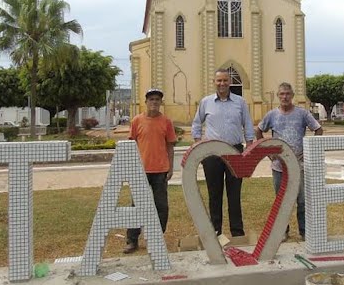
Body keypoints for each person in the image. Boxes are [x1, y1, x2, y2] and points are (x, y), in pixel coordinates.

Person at [191, 68, 255, 237]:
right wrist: (199, 144)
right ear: (214, 82)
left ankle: (237, 232)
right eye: (219, 80)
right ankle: (216, 233)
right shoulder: (206, 102)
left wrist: (249, 146)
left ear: (230, 82)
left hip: (235, 151)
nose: (222, 84)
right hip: (212, 155)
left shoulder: (240, 102)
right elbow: (196, 124)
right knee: (214, 194)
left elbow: (247, 124)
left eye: (225, 80)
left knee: (234, 195)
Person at [255, 82, 322, 240]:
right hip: (279, 166)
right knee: (281, 200)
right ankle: (283, 231)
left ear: (292, 96)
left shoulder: (302, 114)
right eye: (282, 94)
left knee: (302, 200)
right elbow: (259, 130)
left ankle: (304, 232)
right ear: (278, 96)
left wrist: (308, 151)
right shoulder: (271, 115)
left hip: (299, 165)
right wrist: (269, 153)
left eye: (288, 94)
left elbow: (318, 129)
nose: (285, 97)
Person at [124, 88, 177, 253]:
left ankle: (156, 238)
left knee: (161, 206)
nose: (154, 102)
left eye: (157, 99)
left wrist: (170, 167)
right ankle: (132, 240)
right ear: (146, 102)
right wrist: (131, 167)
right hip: (141, 171)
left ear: (161, 103)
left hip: (161, 171)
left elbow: (170, 145)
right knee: (136, 206)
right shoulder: (137, 121)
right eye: (151, 99)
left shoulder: (166, 122)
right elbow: (130, 146)